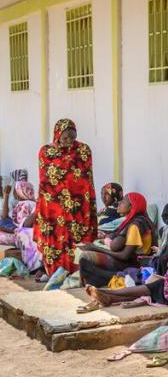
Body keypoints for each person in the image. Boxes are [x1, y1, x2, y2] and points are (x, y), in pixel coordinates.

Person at [34, 118, 97, 276]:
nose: (69, 141)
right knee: (55, 240)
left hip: (78, 206)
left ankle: (77, 273)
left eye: (72, 137)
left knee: (77, 239)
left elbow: (85, 179)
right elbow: (46, 181)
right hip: (54, 209)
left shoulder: (84, 150)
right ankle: (54, 273)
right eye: (65, 138)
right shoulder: (46, 152)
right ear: (57, 135)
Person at [77, 192, 154, 288]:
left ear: (132, 207)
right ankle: (103, 278)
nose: (119, 203)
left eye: (123, 202)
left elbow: (124, 256)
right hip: (131, 261)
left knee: (85, 259)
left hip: (134, 264)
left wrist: (95, 248)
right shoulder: (137, 221)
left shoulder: (135, 226)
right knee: (88, 267)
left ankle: (112, 276)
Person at [0, 180, 36, 245]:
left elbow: (22, 228)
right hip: (18, 231)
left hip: (22, 236)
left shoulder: (24, 205)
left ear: (20, 192)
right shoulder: (31, 203)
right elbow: (5, 217)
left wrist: (4, 230)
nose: (13, 192)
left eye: (15, 190)